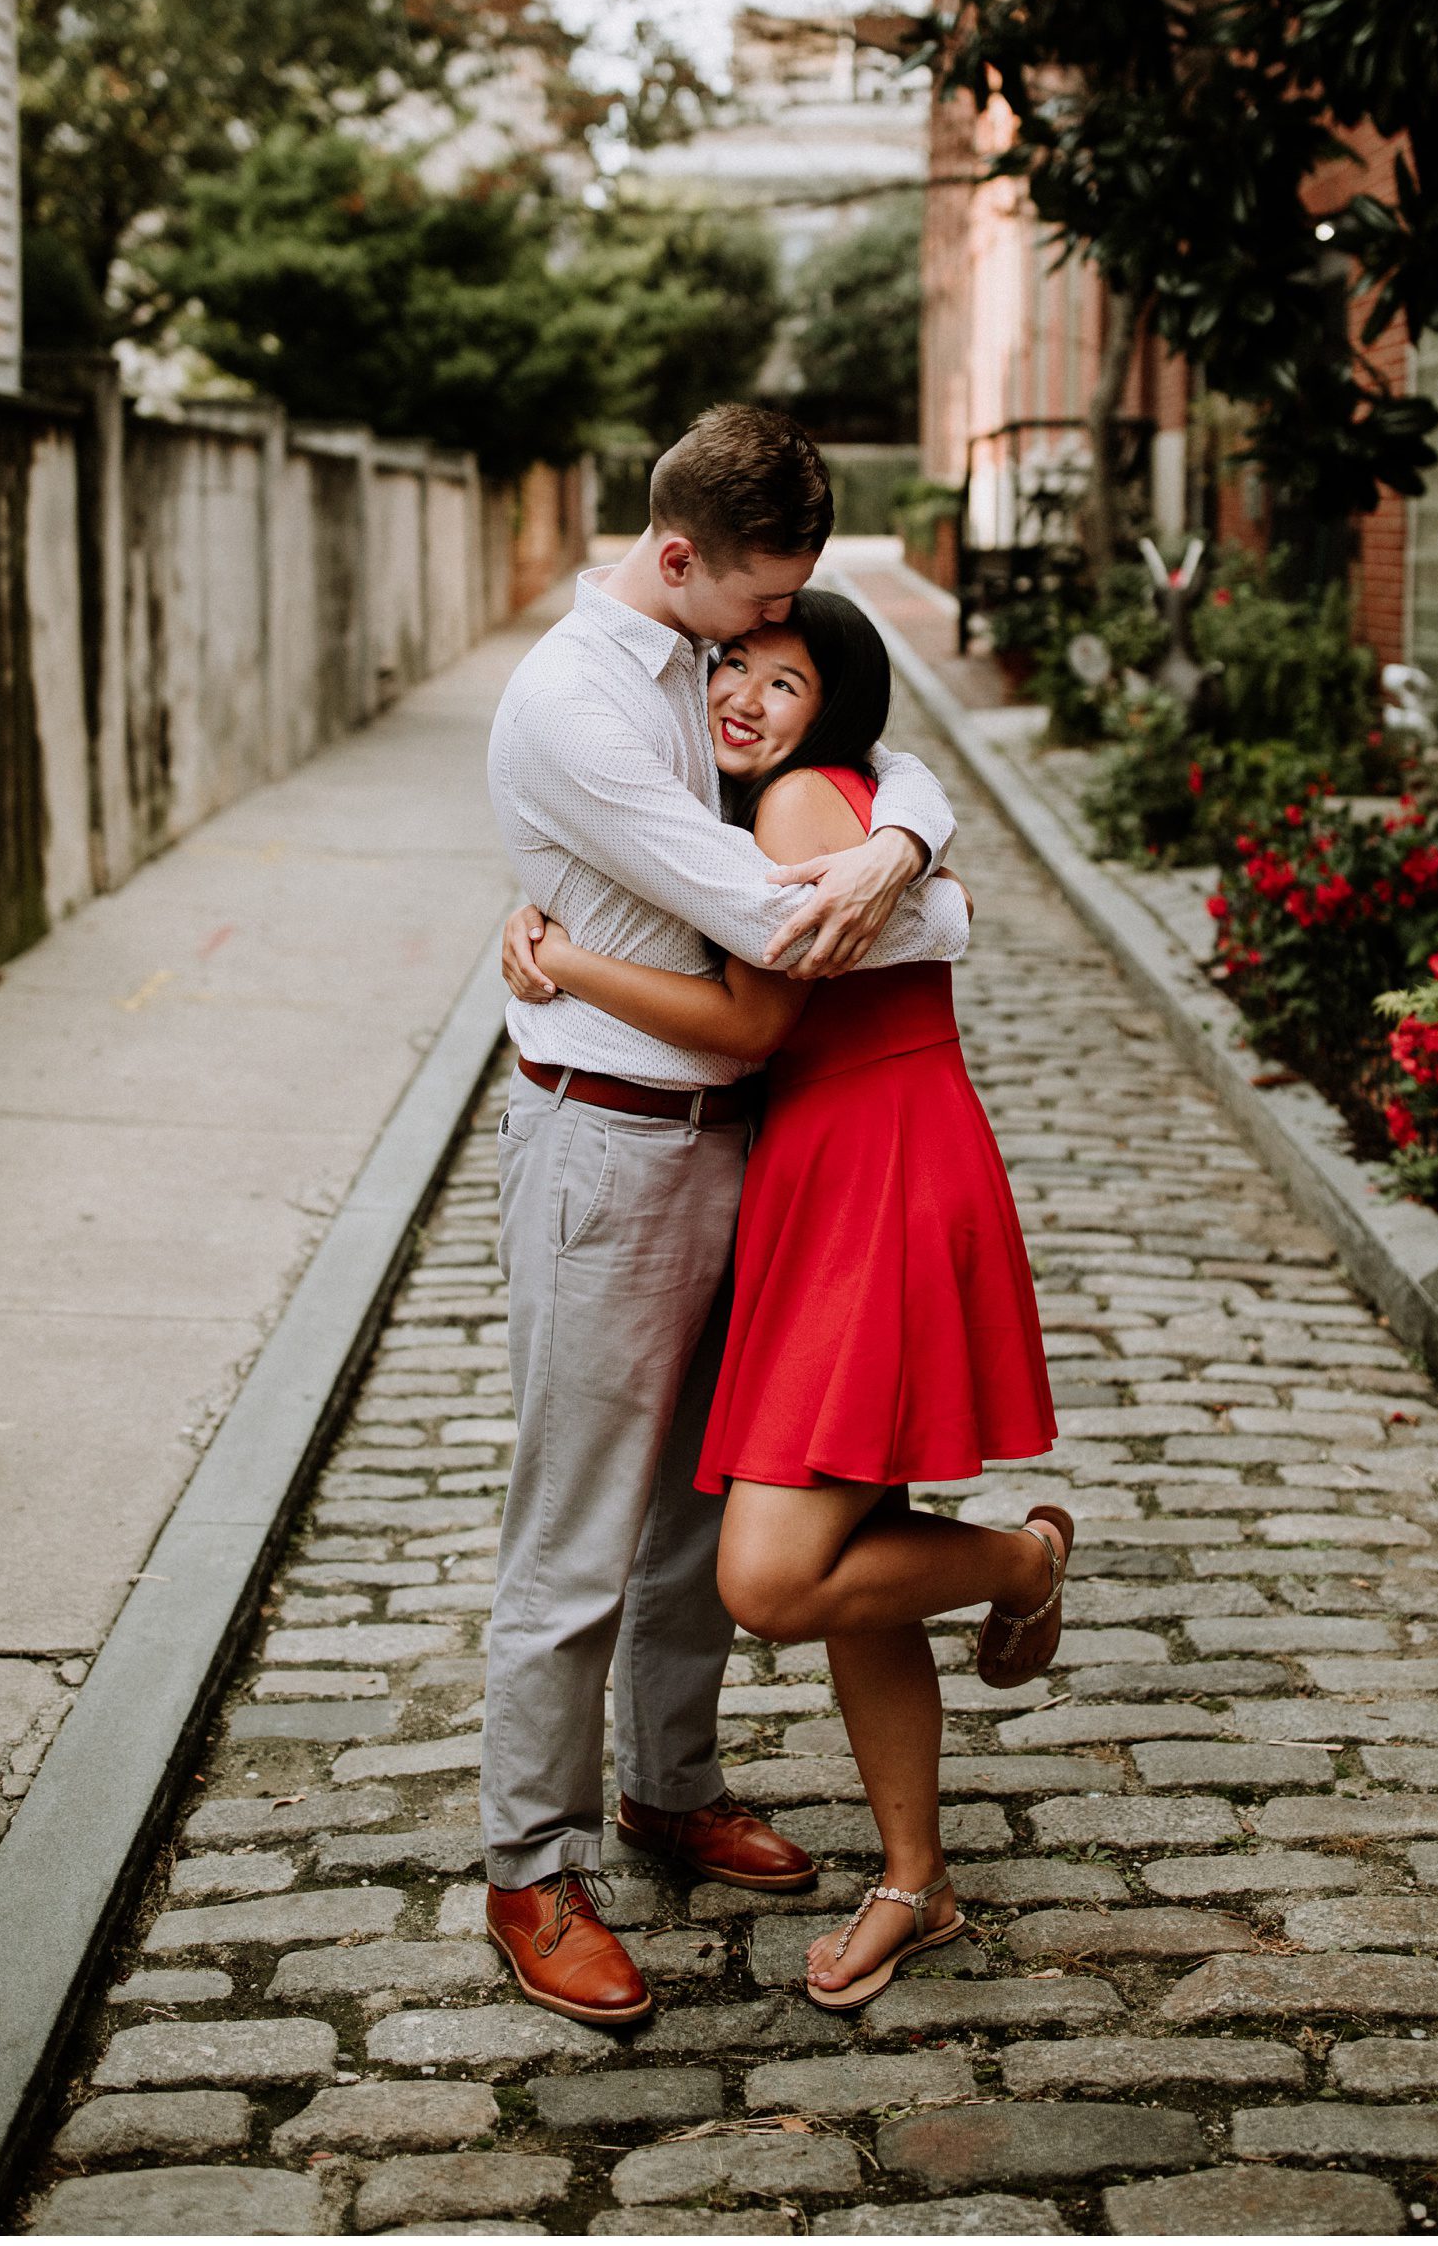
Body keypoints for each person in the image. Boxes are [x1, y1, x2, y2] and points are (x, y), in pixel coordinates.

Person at [482, 404, 974, 2026]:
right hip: (608, 1145)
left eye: (790, 613)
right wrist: (925, 899)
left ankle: (667, 1782)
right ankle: (528, 1867)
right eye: (759, 600)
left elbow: (871, 742)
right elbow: (772, 917)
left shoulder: (705, 656)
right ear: (681, 556)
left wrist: (908, 834)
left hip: (738, 1145)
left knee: (698, 1517)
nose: (773, 637)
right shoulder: (572, 703)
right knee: (577, 1541)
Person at [523, 587, 1069, 2012]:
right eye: (737, 667)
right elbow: (914, 833)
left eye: (789, 680)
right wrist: (915, 846)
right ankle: (915, 1879)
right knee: (859, 1538)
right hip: (838, 1162)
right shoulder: (840, 795)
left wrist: (559, 962)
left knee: (770, 1575)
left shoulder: (794, 811)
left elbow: (760, 1017)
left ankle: (1025, 1565)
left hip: (872, 1170)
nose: (749, 697)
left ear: (836, 711)